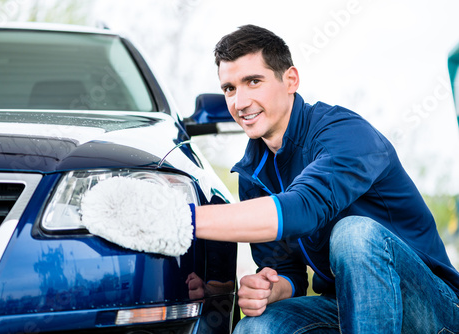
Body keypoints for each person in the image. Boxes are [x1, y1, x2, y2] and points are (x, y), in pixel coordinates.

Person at [193, 24, 459, 333]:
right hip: (344, 305)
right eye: (230, 89)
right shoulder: (253, 175)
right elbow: (288, 272)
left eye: (254, 81)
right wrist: (270, 288)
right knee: (256, 327)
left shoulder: (344, 133)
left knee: (353, 233)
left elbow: (304, 206)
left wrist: (182, 221)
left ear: (290, 79)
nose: (239, 103)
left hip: (434, 308)